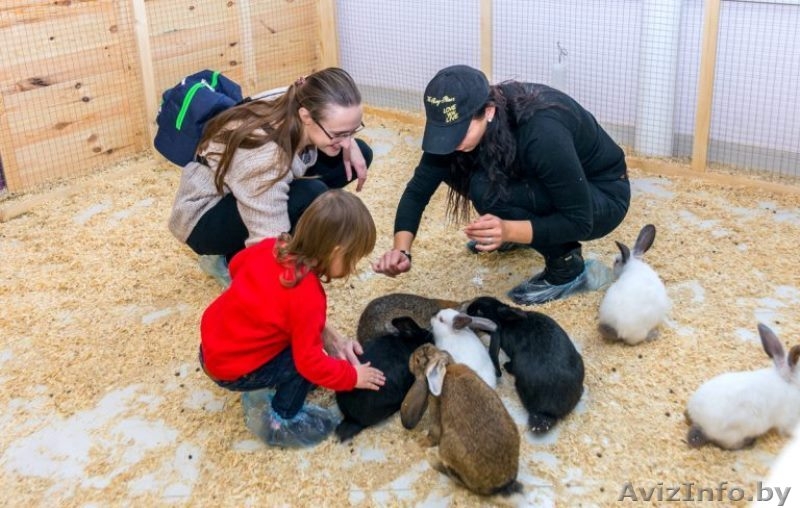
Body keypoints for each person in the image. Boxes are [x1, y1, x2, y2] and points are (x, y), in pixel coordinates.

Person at [373, 64, 630, 305]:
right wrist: (401, 251)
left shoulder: (542, 131)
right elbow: (418, 190)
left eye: (460, 131)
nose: (451, 141)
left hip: (601, 196)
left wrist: (508, 229)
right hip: (549, 184)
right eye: (444, 133)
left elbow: (579, 220)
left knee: (488, 191)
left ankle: (566, 266)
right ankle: (523, 228)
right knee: (455, 165)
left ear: (489, 111)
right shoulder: (469, 126)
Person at [199, 189, 386, 448]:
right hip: (231, 370)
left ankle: (265, 380)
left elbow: (236, 266)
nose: (352, 268)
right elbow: (310, 363)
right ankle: (282, 419)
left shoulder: (272, 246)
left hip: (212, 348)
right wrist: (352, 376)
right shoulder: (307, 294)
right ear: (335, 252)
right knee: (304, 361)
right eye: (352, 259)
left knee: (296, 343)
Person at [168, 67, 372, 288]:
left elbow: (340, 138)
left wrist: (349, 142)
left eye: (352, 130)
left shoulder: (301, 95)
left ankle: (293, 235)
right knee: (313, 196)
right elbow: (267, 244)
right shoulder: (264, 158)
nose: (346, 140)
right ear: (306, 116)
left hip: (251, 186)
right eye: (340, 133)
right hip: (204, 216)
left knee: (358, 154)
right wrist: (286, 287)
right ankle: (228, 256)